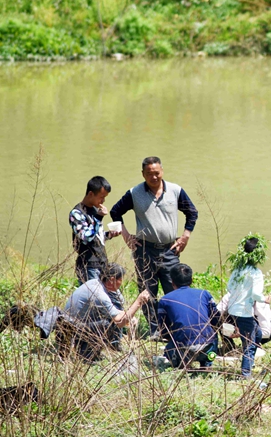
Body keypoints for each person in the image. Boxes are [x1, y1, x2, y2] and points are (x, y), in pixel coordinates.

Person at [109, 156, 199, 337]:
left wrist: (185, 236)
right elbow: (115, 211)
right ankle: (155, 330)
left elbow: (192, 212)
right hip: (144, 250)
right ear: (143, 174)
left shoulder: (175, 191)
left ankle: (175, 328)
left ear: (162, 171)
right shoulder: (135, 193)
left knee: (174, 290)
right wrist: (126, 235)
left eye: (156, 173)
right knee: (147, 291)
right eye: (149, 174)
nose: (154, 177)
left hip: (170, 249)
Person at [63, 263, 150, 361]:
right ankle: (86, 356)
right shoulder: (99, 294)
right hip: (73, 328)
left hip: (73, 324)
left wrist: (129, 317)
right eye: (121, 279)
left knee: (109, 319)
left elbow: (117, 311)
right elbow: (119, 322)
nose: (121, 282)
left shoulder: (94, 282)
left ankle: (89, 350)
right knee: (107, 325)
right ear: (112, 279)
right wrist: (138, 302)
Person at [156, 264, 220, 369]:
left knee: (168, 351)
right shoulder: (204, 294)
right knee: (213, 335)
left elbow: (163, 329)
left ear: (172, 282)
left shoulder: (165, 300)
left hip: (184, 346)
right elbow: (216, 319)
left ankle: (183, 363)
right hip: (207, 345)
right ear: (191, 280)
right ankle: (207, 363)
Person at [223, 235, 266, 377]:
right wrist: (265, 299)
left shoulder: (237, 270)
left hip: (233, 310)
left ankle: (250, 363)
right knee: (249, 344)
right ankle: (246, 375)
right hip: (244, 312)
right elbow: (256, 294)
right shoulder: (256, 273)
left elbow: (229, 287)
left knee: (258, 333)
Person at [69, 176, 120, 285]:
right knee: (93, 300)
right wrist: (98, 218)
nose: (103, 201)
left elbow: (96, 237)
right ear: (91, 194)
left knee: (112, 298)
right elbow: (86, 238)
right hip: (88, 266)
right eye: (101, 197)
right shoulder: (76, 213)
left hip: (102, 263)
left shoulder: (95, 210)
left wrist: (109, 235)